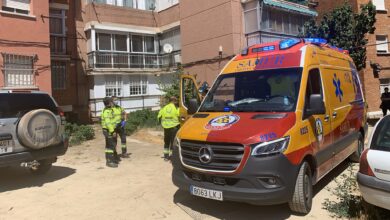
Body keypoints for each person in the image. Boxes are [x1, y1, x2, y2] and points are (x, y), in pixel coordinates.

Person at [158, 96, 180, 160]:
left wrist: (163, 124)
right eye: (176, 101)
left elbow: (159, 117)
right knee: (173, 142)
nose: (176, 102)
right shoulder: (176, 108)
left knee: (166, 142)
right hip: (174, 127)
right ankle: (173, 157)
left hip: (166, 128)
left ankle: (166, 156)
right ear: (174, 101)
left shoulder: (164, 108)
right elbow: (180, 116)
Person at [101, 97, 118, 168]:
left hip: (109, 130)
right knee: (111, 145)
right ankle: (110, 161)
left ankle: (109, 159)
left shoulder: (109, 110)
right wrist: (112, 131)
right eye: (111, 102)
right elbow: (108, 123)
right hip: (108, 130)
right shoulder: (107, 111)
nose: (113, 103)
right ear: (108, 103)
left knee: (109, 145)